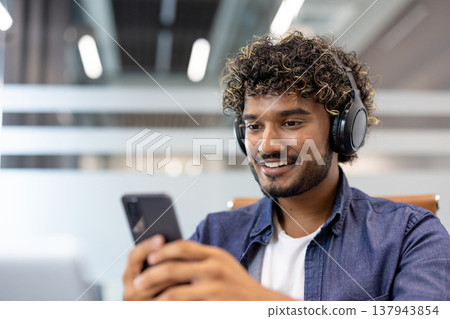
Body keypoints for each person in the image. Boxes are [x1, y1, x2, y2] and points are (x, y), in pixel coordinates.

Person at [122, 31, 450, 301]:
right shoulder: (215, 235)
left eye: (291, 122)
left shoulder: (410, 235)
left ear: (344, 130)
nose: (266, 146)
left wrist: (257, 301)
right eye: (253, 126)